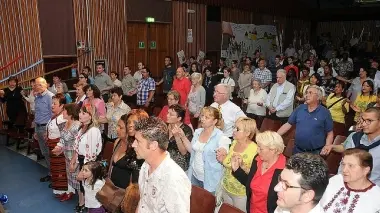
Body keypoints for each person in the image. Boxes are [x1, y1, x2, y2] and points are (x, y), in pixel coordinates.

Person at [132, 117, 191, 213]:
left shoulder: (174, 179)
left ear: (153, 145)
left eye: (138, 141)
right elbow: (143, 202)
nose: (133, 145)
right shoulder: (146, 165)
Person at [232, 131, 286, 213]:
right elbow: (251, 183)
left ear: (273, 150)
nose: (257, 151)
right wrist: (237, 170)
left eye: (260, 148)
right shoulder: (257, 159)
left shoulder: (285, 171)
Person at [181, 107, 231, 193]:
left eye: (207, 117)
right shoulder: (198, 132)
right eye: (202, 116)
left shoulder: (221, 137)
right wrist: (182, 136)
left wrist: (223, 152)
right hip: (194, 175)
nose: (202, 119)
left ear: (215, 121)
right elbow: (192, 150)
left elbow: (224, 152)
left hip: (209, 180)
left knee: (206, 205)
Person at [278, 85, 334, 155]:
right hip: (297, 150)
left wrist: (327, 146)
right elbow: (288, 124)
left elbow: (330, 133)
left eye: (310, 93)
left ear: (318, 97)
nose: (307, 95)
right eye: (306, 93)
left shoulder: (325, 112)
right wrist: (275, 135)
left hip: (315, 153)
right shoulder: (300, 108)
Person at [330, 107, 380, 185]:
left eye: (369, 121)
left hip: (372, 191)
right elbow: (342, 165)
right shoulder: (354, 137)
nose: (363, 124)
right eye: (363, 120)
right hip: (344, 187)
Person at [320, 148, 380, 213]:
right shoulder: (335, 180)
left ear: (366, 170)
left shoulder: (376, 196)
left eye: (350, 166)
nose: (344, 170)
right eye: (343, 164)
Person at [218, 117, 258, 212]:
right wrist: (222, 159)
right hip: (226, 187)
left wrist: (242, 166)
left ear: (247, 133)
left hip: (240, 193)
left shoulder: (255, 150)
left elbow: (254, 175)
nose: (234, 131)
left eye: (238, 129)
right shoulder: (234, 142)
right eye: (234, 127)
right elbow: (228, 163)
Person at [70, 103, 103, 212]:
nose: (80, 114)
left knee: (90, 189)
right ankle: (85, 204)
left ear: (91, 115)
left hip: (89, 164)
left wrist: (83, 172)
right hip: (82, 160)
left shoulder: (93, 130)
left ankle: (92, 208)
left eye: (83, 113)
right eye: (80, 112)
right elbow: (77, 145)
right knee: (84, 187)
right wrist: (73, 160)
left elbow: (91, 155)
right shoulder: (82, 127)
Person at [52, 104, 82, 204]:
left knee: (78, 180)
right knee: (70, 177)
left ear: (71, 113)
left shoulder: (77, 125)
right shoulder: (66, 123)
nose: (63, 112)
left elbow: (78, 145)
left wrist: (75, 161)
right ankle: (71, 193)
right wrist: (58, 147)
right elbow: (63, 139)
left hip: (74, 157)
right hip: (67, 155)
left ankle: (82, 201)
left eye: (65, 110)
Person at [109, 110, 148, 189]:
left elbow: (136, 178)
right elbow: (111, 167)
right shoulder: (117, 142)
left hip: (126, 193)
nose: (117, 129)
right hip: (112, 190)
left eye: (121, 127)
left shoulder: (138, 148)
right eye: (129, 122)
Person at [46, 94, 68, 196]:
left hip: (59, 148)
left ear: (62, 105)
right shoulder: (55, 116)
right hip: (53, 147)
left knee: (61, 170)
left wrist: (60, 147)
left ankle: (65, 191)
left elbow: (65, 135)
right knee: (55, 169)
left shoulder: (63, 118)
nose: (52, 105)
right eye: (52, 103)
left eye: (55, 103)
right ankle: (59, 189)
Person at [33, 77, 55, 182]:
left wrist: (48, 131)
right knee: (45, 152)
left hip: (46, 128)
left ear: (46, 85)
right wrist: (35, 130)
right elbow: (37, 114)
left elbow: (53, 115)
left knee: (50, 152)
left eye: (40, 84)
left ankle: (55, 175)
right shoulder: (37, 97)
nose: (38, 86)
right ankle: (51, 173)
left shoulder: (50, 97)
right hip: (38, 127)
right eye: (37, 85)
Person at [166, 104, 193, 171]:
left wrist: (177, 137)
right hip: (166, 161)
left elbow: (183, 152)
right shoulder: (164, 127)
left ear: (179, 118)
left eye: (171, 114)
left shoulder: (186, 130)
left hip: (179, 163)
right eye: (168, 113)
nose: (167, 115)